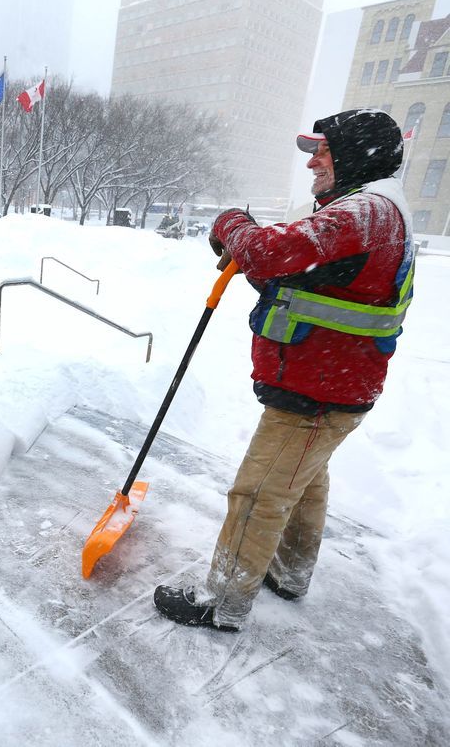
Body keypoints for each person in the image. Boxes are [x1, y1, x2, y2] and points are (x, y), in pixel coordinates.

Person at [153, 108, 415, 632]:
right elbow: (309, 279)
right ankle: (288, 575)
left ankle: (223, 602)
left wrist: (232, 224)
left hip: (318, 390)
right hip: (334, 382)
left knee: (259, 493)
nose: (314, 162)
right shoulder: (374, 210)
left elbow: (273, 253)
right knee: (303, 483)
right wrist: (253, 262)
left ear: (357, 154)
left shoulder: (365, 212)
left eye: (324, 151)